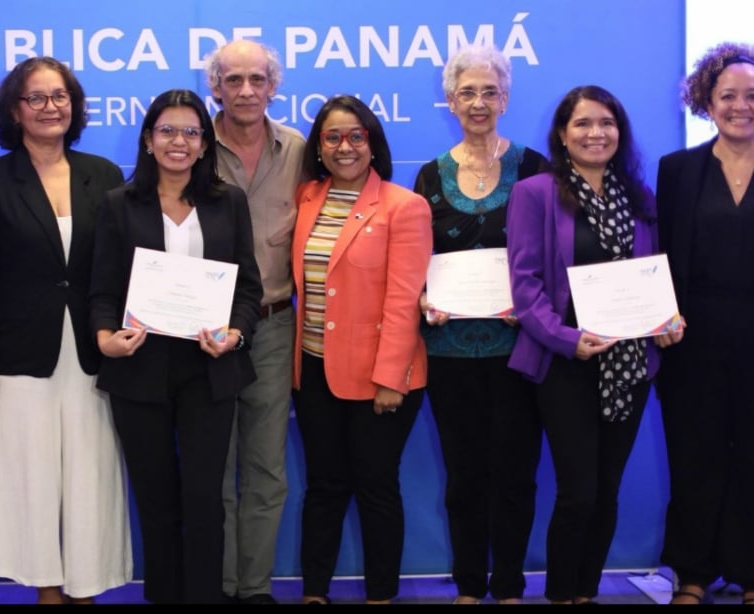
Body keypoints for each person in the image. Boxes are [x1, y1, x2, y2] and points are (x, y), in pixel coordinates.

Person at [0, 56, 132, 605]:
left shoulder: (103, 174)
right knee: (29, 480)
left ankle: (86, 590)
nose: (50, 107)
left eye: (60, 96)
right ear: (15, 109)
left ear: (74, 106)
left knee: (91, 480)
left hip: (92, 351)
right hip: (15, 354)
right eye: (37, 97)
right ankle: (48, 593)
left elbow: (121, 265)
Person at [505, 85, 683, 604]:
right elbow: (526, 284)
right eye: (582, 124)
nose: (595, 133)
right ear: (563, 134)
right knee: (578, 493)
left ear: (619, 132)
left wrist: (666, 320)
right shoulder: (535, 192)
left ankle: (586, 593)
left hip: (631, 364)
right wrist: (567, 339)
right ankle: (562, 594)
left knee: (606, 495)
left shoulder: (639, 196)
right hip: (567, 364)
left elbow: (652, 277)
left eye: (606, 123)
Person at [89, 89, 262, 604]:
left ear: (205, 144)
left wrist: (236, 332)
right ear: (148, 139)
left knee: (205, 499)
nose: (179, 142)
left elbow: (247, 288)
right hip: (139, 369)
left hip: (209, 370)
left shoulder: (227, 200)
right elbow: (101, 289)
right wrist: (104, 338)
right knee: (157, 500)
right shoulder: (119, 204)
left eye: (191, 132)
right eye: (167, 131)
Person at [413, 44, 547, 604]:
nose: (478, 102)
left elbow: (554, 259)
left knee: (515, 475)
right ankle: (470, 585)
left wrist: (533, 300)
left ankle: (511, 585)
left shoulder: (535, 169)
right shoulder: (429, 176)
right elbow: (414, 263)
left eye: (489, 91)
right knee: (464, 477)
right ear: (449, 101)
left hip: (521, 350)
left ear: (506, 98)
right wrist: (424, 299)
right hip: (449, 351)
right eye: (466, 92)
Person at [292, 94, 432, 604]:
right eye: (332, 137)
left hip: (381, 377)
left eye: (356, 135)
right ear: (319, 147)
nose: (344, 146)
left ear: (373, 143)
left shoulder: (405, 206)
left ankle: (380, 596)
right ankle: (313, 593)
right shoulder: (306, 197)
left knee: (376, 488)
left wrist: (390, 377)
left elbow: (403, 299)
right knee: (324, 487)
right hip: (312, 369)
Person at [203, 39, 306, 605]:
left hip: (271, 326)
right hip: (202, 333)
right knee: (213, 468)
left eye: (257, 80)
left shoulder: (301, 149)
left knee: (266, 470)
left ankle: (256, 590)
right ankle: (217, 588)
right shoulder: (189, 144)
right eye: (233, 80)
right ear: (214, 87)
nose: (246, 91)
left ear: (274, 86)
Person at [655, 42, 754, 606]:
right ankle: (692, 572)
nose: (741, 106)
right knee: (695, 454)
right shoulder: (679, 170)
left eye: (751, 96)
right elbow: (661, 256)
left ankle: (750, 572)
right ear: (706, 101)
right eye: (728, 95)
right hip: (693, 338)